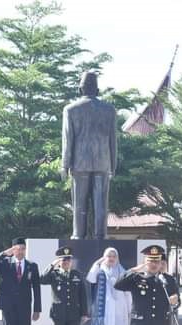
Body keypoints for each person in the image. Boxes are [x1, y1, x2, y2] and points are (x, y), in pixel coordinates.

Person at [61, 71, 118, 240]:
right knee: (101, 204)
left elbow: (67, 139)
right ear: (97, 90)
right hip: (103, 162)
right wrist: (112, 166)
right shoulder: (109, 110)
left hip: (80, 163)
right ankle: (101, 235)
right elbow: (113, 141)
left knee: (79, 204)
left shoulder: (71, 109)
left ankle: (78, 235)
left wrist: (64, 164)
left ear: (80, 89)